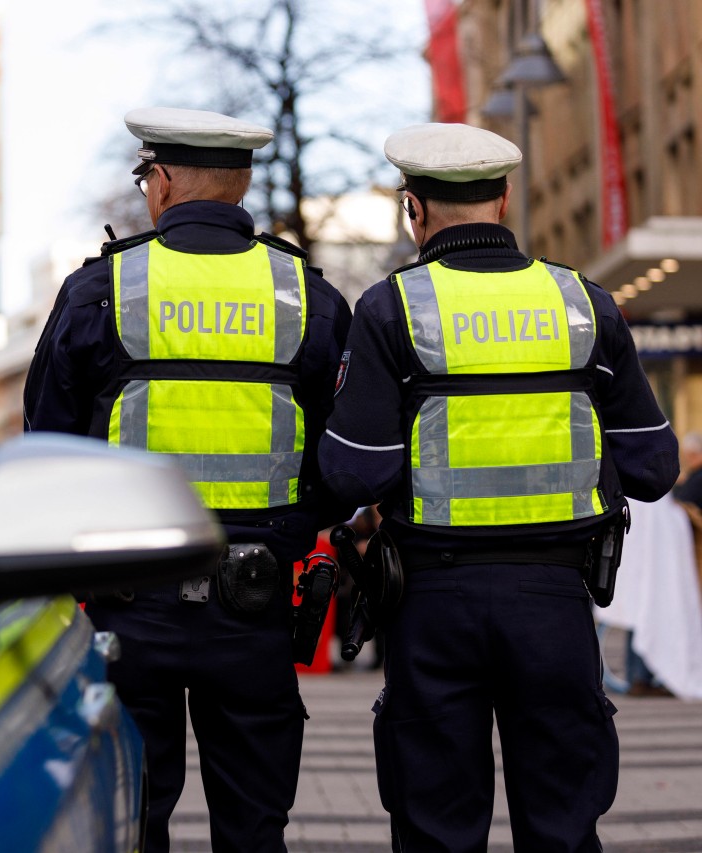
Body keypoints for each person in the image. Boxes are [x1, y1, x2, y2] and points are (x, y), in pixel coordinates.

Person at [320, 122, 679, 851]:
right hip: (556, 605)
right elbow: (655, 466)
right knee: (563, 827)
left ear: (411, 209)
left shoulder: (391, 310)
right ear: (506, 198)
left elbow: (355, 473)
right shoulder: (585, 306)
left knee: (437, 828)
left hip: (433, 605)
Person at [24, 107, 351, 852]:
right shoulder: (307, 297)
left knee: (132, 822)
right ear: (240, 185)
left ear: (161, 183)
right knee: (253, 826)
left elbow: (50, 444)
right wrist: (294, 526)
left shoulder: (100, 290)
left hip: (130, 609)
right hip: (257, 602)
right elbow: (345, 453)